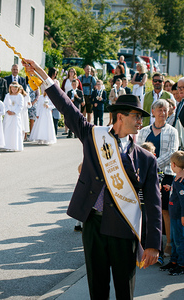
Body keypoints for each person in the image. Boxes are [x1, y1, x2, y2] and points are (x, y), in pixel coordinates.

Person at [22, 58, 162, 300]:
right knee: (97, 288)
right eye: (136, 116)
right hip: (93, 225)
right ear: (120, 116)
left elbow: (154, 203)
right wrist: (44, 77)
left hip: (124, 228)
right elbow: (68, 108)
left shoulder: (146, 158)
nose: (141, 122)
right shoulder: (93, 136)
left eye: (142, 117)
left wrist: (153, 244)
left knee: (123, 290)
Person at [137, 99, 179, 263]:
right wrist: (147, 167)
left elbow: (172, 153)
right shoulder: (144, 131)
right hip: (146, 174)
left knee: (164, 211)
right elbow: (139, 150)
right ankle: (144, 246)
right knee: (145, 210)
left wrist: (152, 164)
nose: (162, 113)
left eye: (165, 110)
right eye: (159, 109)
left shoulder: (172, 131)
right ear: (153, 112)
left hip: (166, 174)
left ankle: (168, 244)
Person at [160, 151, 184, 275]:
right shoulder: (177, 179)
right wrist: (171, 188)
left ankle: (181, 264)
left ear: (173, 165)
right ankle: (174, 261)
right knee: (174, 240)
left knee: (180, 241)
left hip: (179, 216)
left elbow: (183, 199)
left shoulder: (180, 181)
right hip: (174, 214)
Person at [3, 82, 24, 152]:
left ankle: (15, 146)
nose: (14, 90)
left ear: (18, 88)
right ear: (10, 88)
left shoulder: (20, 96)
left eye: (15, 88)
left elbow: (21, 105)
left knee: (15, 130)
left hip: (15, 116)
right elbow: (4, 104)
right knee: (8, 130)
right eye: (13, 88)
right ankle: (7, 146)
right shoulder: (7, 95)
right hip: (8, 115)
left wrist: (14, 112)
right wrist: (7, 110)